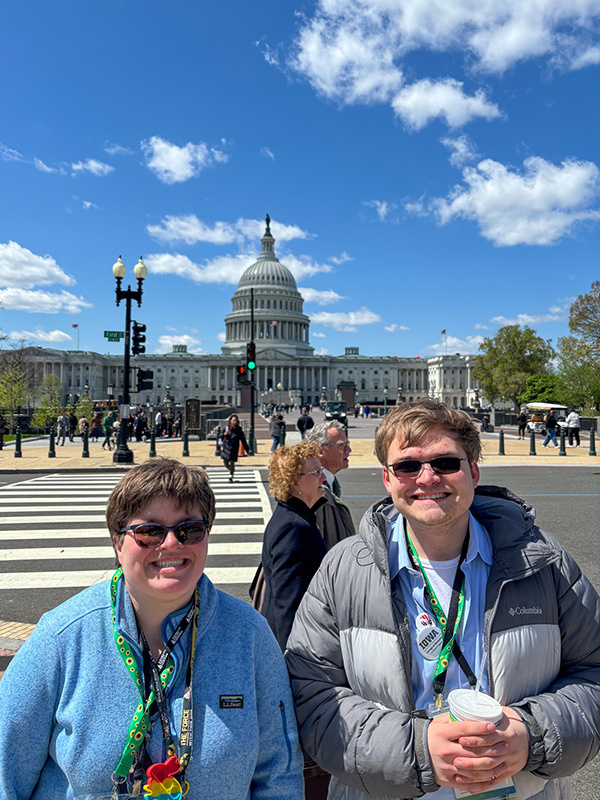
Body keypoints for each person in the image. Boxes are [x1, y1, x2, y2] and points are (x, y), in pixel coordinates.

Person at [285, 399, 600, 800]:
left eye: (446, 463)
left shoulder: (543, 562)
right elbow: (308, 693)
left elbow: (594, 670)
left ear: (474, 471)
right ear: (386, 478)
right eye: (408, 466)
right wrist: (418, 751)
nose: (428, 477)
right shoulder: (343, 570)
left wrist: (532, 734)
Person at [0, 458, 303, 799]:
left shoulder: (250, 635)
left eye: (190, 529)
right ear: (117, 542)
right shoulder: (61, 637)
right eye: (149, 531)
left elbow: (279, 776)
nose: (172, 543)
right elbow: (5, 771)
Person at [261, 441, 327, 651]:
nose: (323, 478)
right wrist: (291, 661)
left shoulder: (292, 517)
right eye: (316, 472)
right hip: (294, 646)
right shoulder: (293, 527)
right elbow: (287, 602)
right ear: (294, 482)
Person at [305, 420, 355, 549]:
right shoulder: (312, 490)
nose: (348, 450)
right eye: (341, 446)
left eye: (347, 444)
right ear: (321, 451)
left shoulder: (331, 482)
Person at [220, 413, 249, 482]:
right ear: (230, 421)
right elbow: (220, 436)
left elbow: (243, 440)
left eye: (235, 420)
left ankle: (231, 475)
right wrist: (224, 435)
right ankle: (231, 470)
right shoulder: (226, 428)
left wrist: (247, 450)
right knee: (225, 462)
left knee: (232, 462)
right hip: (226, 447)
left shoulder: (238, 430)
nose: (234, 422)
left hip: (234, 447)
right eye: (233, 420)